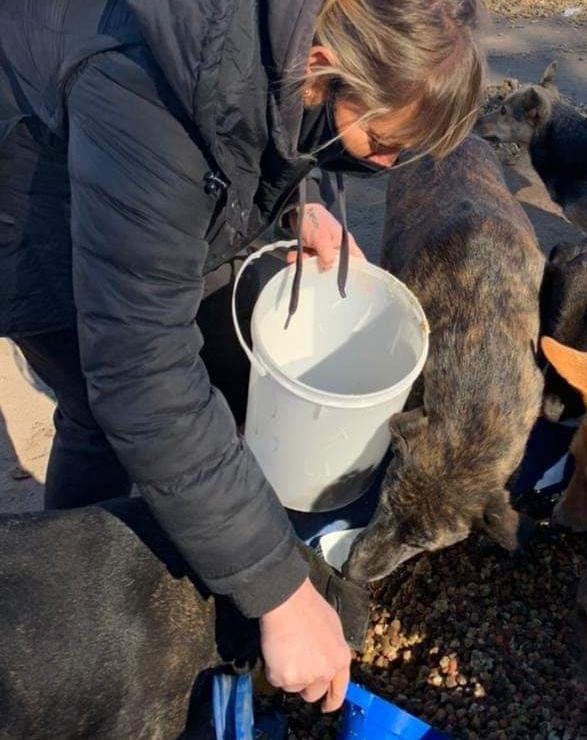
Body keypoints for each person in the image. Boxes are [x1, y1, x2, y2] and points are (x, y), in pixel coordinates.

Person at [0, 0, 483, 711]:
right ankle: (79, 611)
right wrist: (278, 590)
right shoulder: (143, 85)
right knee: (100, 409)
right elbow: (142, 375)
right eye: (383, 140)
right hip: (30, 201)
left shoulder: (288, 40)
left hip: (123, 159)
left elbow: (265, 124)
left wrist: (301, 200)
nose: (388, 162)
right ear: (323, 63)